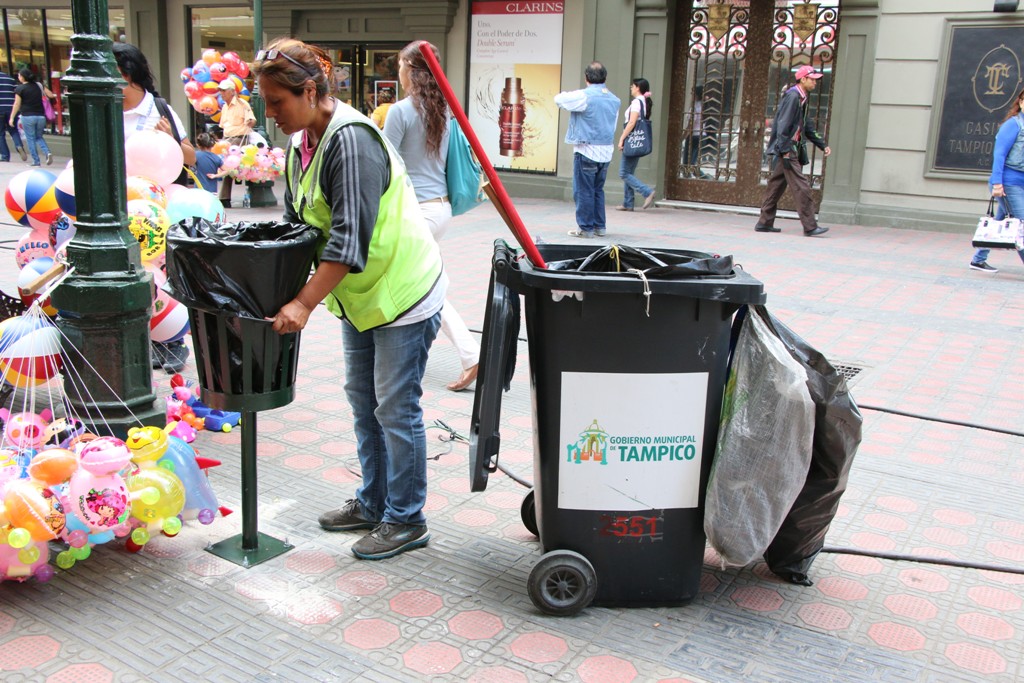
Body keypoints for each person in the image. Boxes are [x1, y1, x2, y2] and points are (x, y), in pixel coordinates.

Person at [256, 38, 445, 560]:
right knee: (363, 401)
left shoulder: (352, 141)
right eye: (267, 102)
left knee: (394, 406)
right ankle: (373, 500)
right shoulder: (304, 143)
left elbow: (348, 240)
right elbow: (303, 224)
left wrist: (304, 304)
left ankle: (407, 519)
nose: (270, 114)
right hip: (361, 297)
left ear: (310, 90)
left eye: (277, 102)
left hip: (402, 293)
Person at [383, 41, 480, 393]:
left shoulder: (401, 111)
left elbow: (384, 165)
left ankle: (471, 355)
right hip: (440, 210)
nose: (398, 73)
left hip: (415, 214)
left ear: (411, 69)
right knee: (425, 285)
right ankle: (465, 355)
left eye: (399, 67)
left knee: (427, 289)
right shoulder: (444, 110)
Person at [113, 42, 196, 373]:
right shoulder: (102, 110)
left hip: (161, 210)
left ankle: (171, 340)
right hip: (119, 209)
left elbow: (190, 158)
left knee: (164, 274)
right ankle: (138, 341)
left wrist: (171, 141)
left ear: (127, 73)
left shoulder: (159, 109)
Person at [754, 65, 831, 237]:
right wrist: (785, 150)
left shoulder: (800, 97)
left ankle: (764, 222)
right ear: (803, 79)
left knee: (776, 186)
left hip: (787, 148)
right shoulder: (793, 97)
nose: (815, 83)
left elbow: (806, 124)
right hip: (788, 148)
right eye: (812, 79)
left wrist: (821, 144)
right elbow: (783, 125)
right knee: (801, 187)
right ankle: (810, 226)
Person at [555, 62, 621, 238]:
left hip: (586, 149)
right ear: (605, 78)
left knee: (583, 190)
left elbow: (559, 99)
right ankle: (600, 227)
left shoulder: (584, 96)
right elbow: (612, 126)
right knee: (598, 189)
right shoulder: (615, 100)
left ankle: (586, 228)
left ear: (586, 78)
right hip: (606, 150)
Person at [970, 87, 1024, 274]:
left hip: (1021, 183)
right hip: (1009, 183)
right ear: (1021, 103)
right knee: (1022, 224)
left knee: (1000, 219)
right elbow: (999, 155)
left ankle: (978, 259)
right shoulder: (1014, 125)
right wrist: (997, 183)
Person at [616, 78, 656, 212]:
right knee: (629, 172)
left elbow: (632, 122)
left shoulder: (636, 102)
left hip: (631, 139)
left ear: (638, 87)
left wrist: (622, 138)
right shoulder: (643, 102)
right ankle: (628, 202)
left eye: (633, 86)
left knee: (623, 173)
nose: (631, 87)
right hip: (637, 140)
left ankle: (647, 192)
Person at [216, 79, 257, 208]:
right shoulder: (224, 106)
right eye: (220, 91)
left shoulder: (242, 103)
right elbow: (223, 125)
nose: (221, 93)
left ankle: (224, 198)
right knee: (222, 164)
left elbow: (252, 119)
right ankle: (223, 197)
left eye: (224, 91)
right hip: (227, 139)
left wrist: (250, 121)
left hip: (239, 138)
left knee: (229, 165)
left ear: (232, 92)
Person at [8, 69, 55, 167]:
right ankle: (47, 152)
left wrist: (12, 117)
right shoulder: (39, 85)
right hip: (41, 116)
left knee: (30, 138)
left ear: (22, 77)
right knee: (39, 136)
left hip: (27, 116)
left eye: (19, 76)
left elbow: (17, 104)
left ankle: (36, 161)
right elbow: (50, 95)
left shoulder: (20, 89)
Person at [0, 67, 27, 163]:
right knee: (13, 130)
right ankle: (19, 145)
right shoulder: (10, 79)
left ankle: (4, 156)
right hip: (11, 109)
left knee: (0, 134)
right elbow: (18, 94)